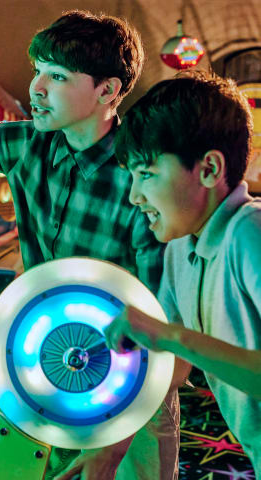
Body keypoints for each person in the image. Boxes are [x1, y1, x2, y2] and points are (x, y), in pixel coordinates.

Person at [0, 9, 184, 480]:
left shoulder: (140, 177)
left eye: (57, 75)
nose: (37, 87)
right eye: (37, 71)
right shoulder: (30, 144)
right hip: (48, 359)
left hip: (133, 382)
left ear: (108, 91)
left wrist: (115, 443)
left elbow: (166, 326)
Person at [104, 70, 261, 477]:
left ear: (208, 169)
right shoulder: (181, 247)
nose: (134, 196)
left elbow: (172, 340)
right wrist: (114, 449)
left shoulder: (249, 232)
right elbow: (171, 365)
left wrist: (169, 335)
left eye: (147, 173)